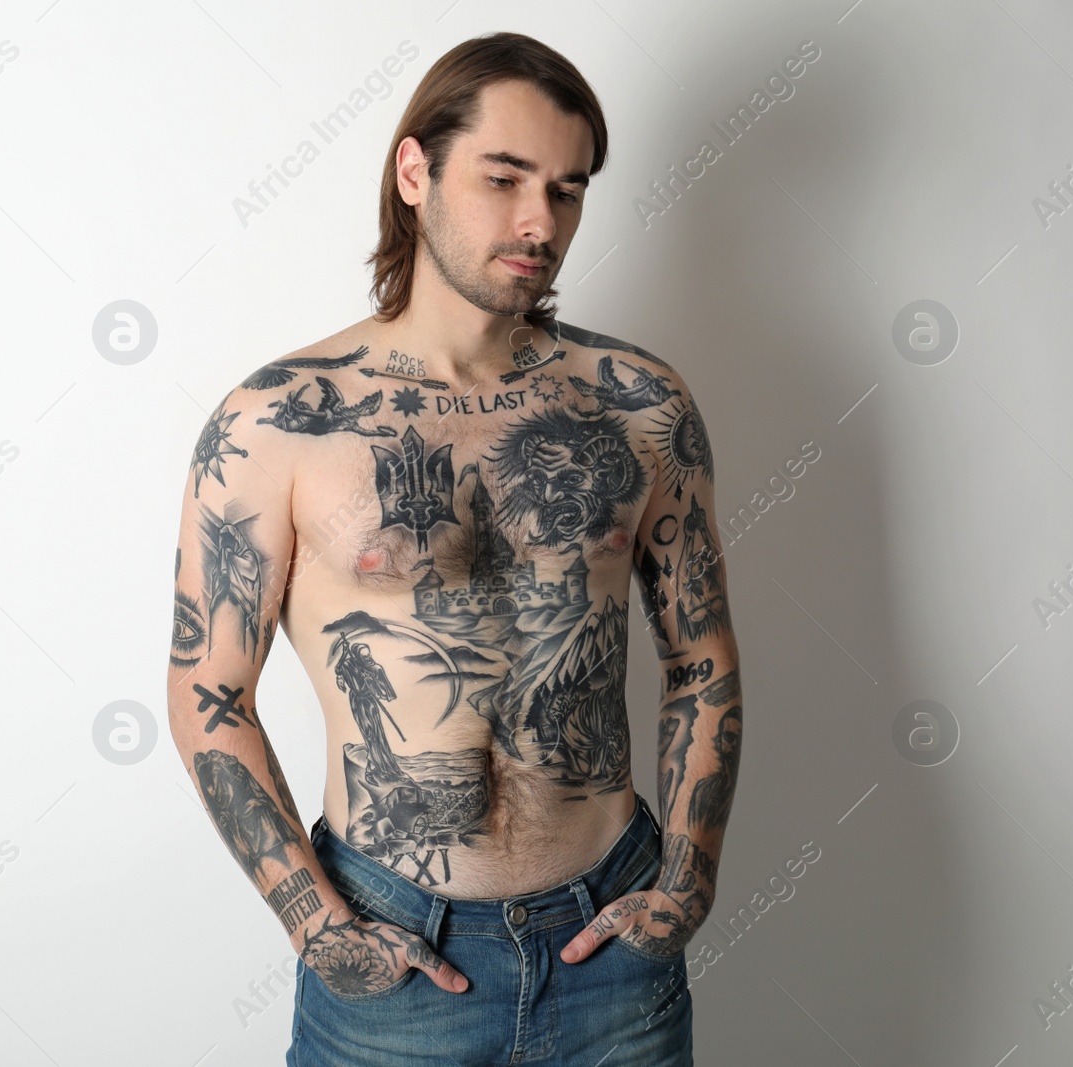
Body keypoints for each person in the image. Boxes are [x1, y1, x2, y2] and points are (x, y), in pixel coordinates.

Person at [167, 30, 742, 1066]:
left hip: (610, 939)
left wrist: (687, 880)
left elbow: (701, 661)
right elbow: (210, 692)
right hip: (391, 954)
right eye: (505, 178)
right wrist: (316, 924)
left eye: (566, 190)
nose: (540, 221)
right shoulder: (279, 423)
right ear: (413, 170)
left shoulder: (640, 406)